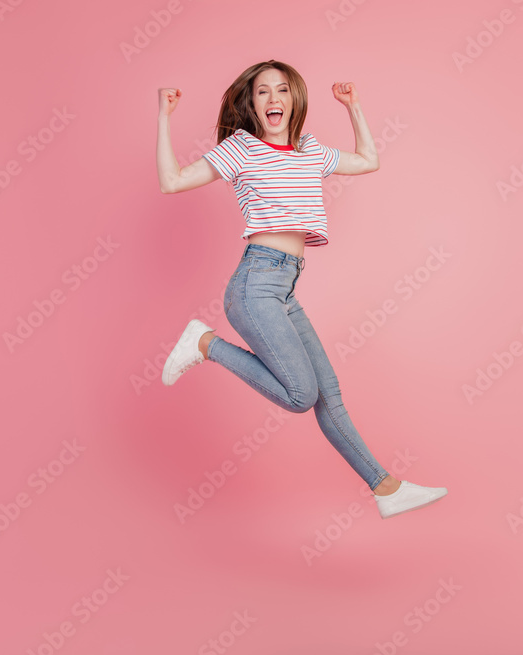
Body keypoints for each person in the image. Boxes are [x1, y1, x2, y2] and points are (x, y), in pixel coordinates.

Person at [154, 59, 446, 519]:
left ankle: (386, 488)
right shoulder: (242, 149)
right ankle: (205, 342)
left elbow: (369, 160)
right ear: (251, 103)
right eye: (263, 92)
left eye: (283, 90)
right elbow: (171, 183)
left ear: (295, 100)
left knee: (328, 393)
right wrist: (164, 118)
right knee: (300, 395)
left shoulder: (309, 150)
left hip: (284, 286)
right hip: (256, 283)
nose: (274, 99)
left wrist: (353, 107)